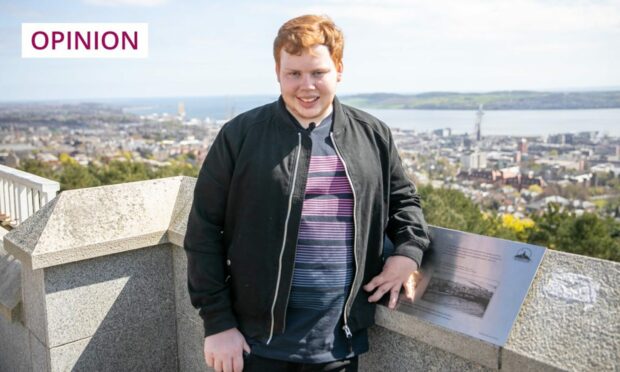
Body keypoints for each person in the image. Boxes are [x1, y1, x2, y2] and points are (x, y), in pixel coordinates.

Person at [184, 14, 430, 372]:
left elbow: (404, 202)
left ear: (339, 70)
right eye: (294, 74)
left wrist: (408, 253)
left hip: (338, 344)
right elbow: (203, 230)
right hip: (256, 343)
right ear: (277, 73)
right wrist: (218, 323)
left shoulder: (372, 135)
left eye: (318, 73)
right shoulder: (240, 136)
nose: (307, 86)